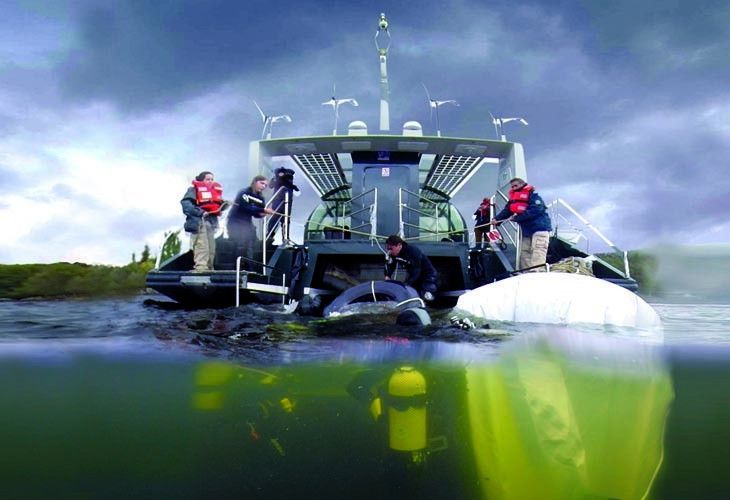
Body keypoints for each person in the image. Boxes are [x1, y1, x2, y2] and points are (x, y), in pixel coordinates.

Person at [491, 177, 552, 271]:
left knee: (538, 249)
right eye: (512, 187)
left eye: (516, 185)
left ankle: (537, 272)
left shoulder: (534, 196)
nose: (514, 188)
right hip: (527, 230)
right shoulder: (514, 200)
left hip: (540, 228)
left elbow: (537, 209)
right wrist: (497, 219)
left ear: (522, 184)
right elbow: (507, 210)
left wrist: (517, 218)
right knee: (525, 251)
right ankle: (527, 272)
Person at [227, 175, 274, 270]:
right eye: (262, 183)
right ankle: (237, 268)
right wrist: (263, 210)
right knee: (240, 243)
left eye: (265, 185)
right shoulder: (244, 192)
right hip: (235, 221)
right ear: (255, 182)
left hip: (247, 222)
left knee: (251, 242)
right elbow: (245, 207)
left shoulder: (260, 198)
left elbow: (256, 213)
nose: (264, 186)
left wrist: (262, 214)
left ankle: (248, 267)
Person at [181, 171, 224, 272]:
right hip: (199, 222)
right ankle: (200, 268)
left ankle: (209, 267)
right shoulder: (193, 190)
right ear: (201, 180)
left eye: (212, 179)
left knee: (211, 247)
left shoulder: (214, 192)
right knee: (202, 245)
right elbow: (186, 205)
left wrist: (223, 206)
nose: (210, 181)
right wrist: (200, 212)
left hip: (211, 223)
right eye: (208, 179)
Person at [383, 235, 438, 302]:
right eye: (388, 249)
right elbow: (390, 265)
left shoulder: (413, 251)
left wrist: (406, 285)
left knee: (426, 295)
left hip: (427, 275)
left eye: (391, 249)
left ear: (399, 245)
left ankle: (429, 304)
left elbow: (416, 272)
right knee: (412, 293)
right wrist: (387, 275)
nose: (390, 251)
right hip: (413, 275)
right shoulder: (393, 254)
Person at [266, 166, 299, 243]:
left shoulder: (288, 177)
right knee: (275, 217)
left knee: (285, 220)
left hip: (287, 201)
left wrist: (293, 186)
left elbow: (289, 183)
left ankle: (285, 237)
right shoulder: (277, 178)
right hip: (278, 200)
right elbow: (271, 185)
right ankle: (270, 235)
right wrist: (277, 177)